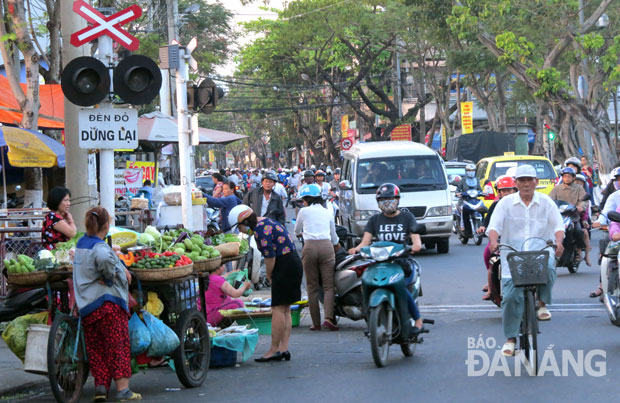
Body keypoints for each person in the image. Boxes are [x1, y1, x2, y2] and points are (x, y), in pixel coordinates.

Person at [486, 165, 564, 357]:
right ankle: (511, 339)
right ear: (516, 183)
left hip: (540, 252)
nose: (526, 184)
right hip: (513, 255)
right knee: (511, 297)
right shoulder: (505, 204)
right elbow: (494, 227)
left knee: (550, 266)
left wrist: (559, 242)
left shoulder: (546, 202)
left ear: (536, 182)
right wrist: (494, 241)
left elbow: (558, 225)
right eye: (522, 180)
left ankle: (542, 303)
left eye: (530, 180)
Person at [73, 206, 141, 401]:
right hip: (107, 304)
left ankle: (101, 388)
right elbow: (103, 258)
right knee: (116, 344)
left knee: (96, 347)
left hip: (88, 306)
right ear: (106, 225)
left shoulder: (81, 244)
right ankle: (123, 390)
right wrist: (110, 277)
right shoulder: (100, 247)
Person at [228, 205, 302, 362]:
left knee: (277, 309)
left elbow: (270, 257)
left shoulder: (260, 231)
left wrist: (269, 274)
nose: (240, 231)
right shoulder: (266, 222)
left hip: (284, 265)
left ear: (245, 221)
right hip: (293, 262)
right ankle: (284, 348)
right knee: (285, 309)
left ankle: (274, 349)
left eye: (239, 227)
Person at [348, 183, 424, 331]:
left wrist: (415, 246)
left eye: (390, 198)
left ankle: (418, 319)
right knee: (364, 283)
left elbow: (416, 239)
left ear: (398, 199)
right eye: (382, 199)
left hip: (401, 262)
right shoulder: (375, 220)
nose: (386, 202)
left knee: (402, 287)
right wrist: (356, 250)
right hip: (380, 262)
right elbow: (365, 242)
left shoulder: (407, 217)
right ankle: (370, 315)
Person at [294, 184, 340, 331]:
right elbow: (334, 237)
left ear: (307, 199)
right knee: (328, 285)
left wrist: (302, 234)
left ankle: (316, 323)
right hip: (326, 247)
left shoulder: (303, 211)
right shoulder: (327, 212)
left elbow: (296, 230)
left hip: (310, 248)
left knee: (312, 286)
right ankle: (328, 318)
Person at [477, 176, 517, 304]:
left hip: (518, 239)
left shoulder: (520, 204)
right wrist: (484, 227)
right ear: (499, 192)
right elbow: (489, 222)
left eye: (509, 190)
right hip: (500, 239)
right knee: (489, 255)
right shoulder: (496, 205)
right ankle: (491, 287)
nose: (506, 194)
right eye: (503, 191)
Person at [548, 167, 590, 265]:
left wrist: (580, 207)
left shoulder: (578, 188)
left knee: (578, 231)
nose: (567, 178)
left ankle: (579, 250)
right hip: (559, 217)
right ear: (562, 177)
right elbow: (549, 201)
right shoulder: (556, 189)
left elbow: (584, 200)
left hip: (573, 217)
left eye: (569, 176)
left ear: (573, 178)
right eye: (565, 176)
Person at [456, 163, 483, 236]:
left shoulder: (477, 180)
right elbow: (457, 190)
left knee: (481, 209)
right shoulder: (463, 180)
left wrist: (483, 192)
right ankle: (462, 227)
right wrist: (458, 193)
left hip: (474, 201)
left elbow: (480, 189)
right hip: (464, 201)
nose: (471, 172)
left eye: (473, 170)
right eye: (469, 170)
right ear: (466, 171)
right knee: (463, 211)